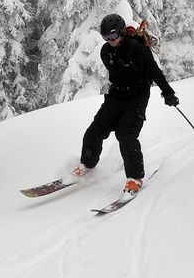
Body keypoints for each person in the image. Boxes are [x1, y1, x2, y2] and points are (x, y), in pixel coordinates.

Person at [72, 13, 179, 194]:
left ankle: (135, 178)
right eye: (106, 37)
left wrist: (167, 92)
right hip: (116, 96)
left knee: (126, 135)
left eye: (113, 36)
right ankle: (87, 164)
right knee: (95, 130)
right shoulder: (105, 51)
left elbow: (154, 71)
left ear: (121, 33)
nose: (110, 40)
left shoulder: (136, 49)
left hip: (137, 97)